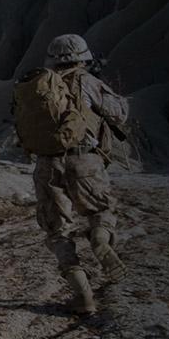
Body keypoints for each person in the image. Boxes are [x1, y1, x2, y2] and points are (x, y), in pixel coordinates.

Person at [15, 34, 129, 316]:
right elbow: (119, 114)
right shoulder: (86, 81)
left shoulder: (35, 85)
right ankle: (100, 241)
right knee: (99, 210)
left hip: (46, 164)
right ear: (83, 57)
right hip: (84, 159)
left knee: (57, 230)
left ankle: (83, 296)